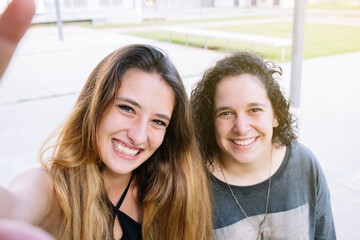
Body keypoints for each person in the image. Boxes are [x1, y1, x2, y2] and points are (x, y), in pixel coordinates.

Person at [0, 44, 213, 239]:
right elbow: (13, 208)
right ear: (95, 106)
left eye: (158, 121)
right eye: (127, 108)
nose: (138, 136)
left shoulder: (171, 191)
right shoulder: (52, 189)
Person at [190, 51, 336, 240]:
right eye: (226, 113)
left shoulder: (304, 165)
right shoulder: (193, 183)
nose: (241, 128)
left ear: (275, 115)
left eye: (254, 110)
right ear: (210, 121)